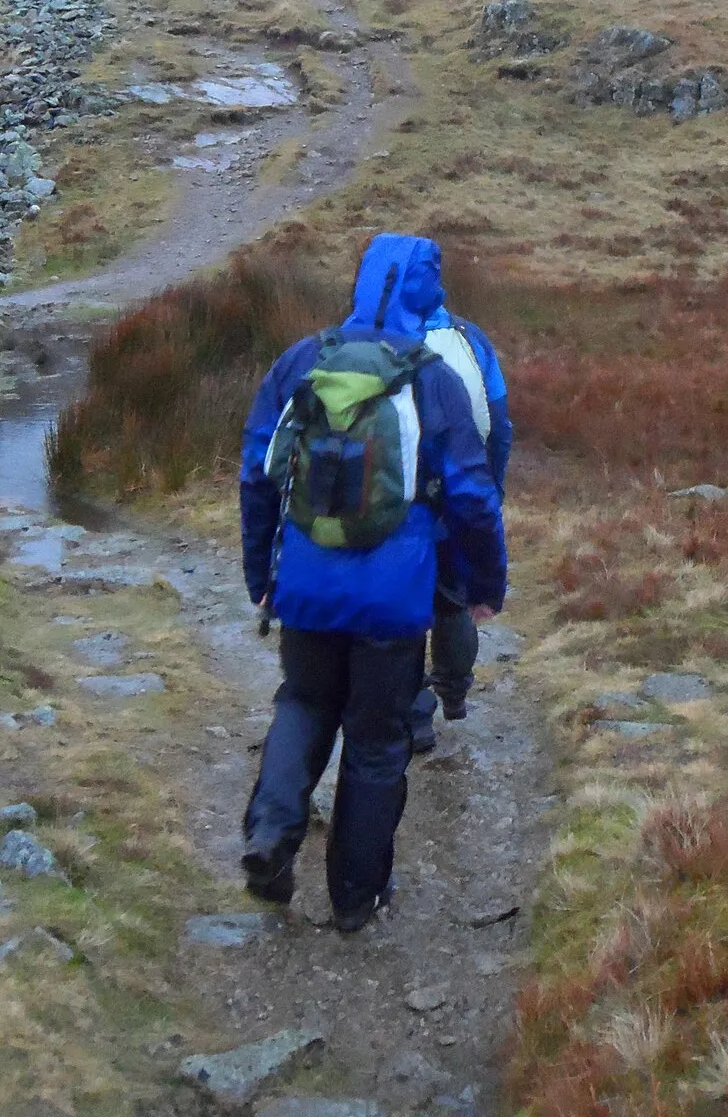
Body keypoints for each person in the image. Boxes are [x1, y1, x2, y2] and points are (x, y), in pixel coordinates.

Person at [239, 235, 508, 932]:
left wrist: (260, 574)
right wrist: (485, 585)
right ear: (427, 292)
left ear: (361, 283)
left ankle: (269, 835)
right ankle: (357, 899)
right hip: (394, 601)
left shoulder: (303, 361)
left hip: (305, 585)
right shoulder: (432, 376)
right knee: (379, 742)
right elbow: (475, 497)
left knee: (301, 702)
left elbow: (257, 474)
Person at [406, 302, 511, 755]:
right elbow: (499, 421)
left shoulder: (374, 336)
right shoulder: (471, 337)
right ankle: (454, 693)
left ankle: (414, 716)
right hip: (457, 495)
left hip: (396, 502)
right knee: (453, 597)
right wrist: (493, 489)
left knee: (405, 605)